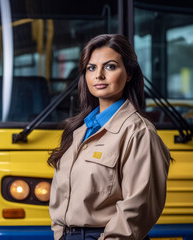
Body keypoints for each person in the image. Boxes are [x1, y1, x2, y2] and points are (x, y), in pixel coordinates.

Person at [48, 34, 171, 240]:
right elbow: (61, 196)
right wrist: (60, 234)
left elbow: (137, 210)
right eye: (91, 68)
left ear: (129, 74)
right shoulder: (79, 130)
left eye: (110, 66)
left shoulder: (138, 132)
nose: (99, 75)